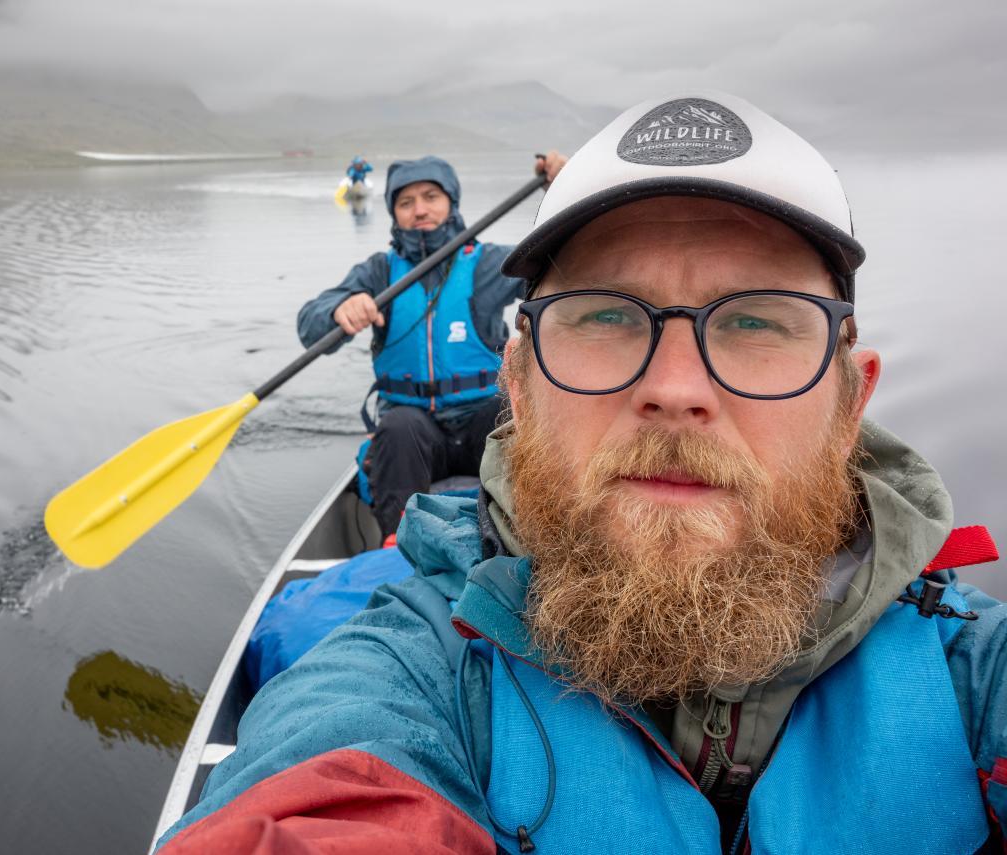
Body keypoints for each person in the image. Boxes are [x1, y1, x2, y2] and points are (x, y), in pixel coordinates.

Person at [157, 92, 1007, 854]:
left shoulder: (977, 672)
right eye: (605, 314)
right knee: (403, 434)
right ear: (520, 386)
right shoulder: (407, 668)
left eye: (756, 320)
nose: (676, 391)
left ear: (849, 405)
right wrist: (341, 310)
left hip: (465, 419)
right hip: (420, 423)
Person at [299, 153, 567, 539]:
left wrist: (562, 188)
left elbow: (565, 266)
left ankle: (520, 535)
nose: (420, 210)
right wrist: (338, 309)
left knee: (509, 414)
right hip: (413, 434)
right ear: (394, 214)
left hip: (478, 421)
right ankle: (399, 546)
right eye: (406, 203)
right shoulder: (377, 272)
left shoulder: (487, 264)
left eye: (430, 197)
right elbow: (309, 323)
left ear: (451, 203)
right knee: (397, 427)